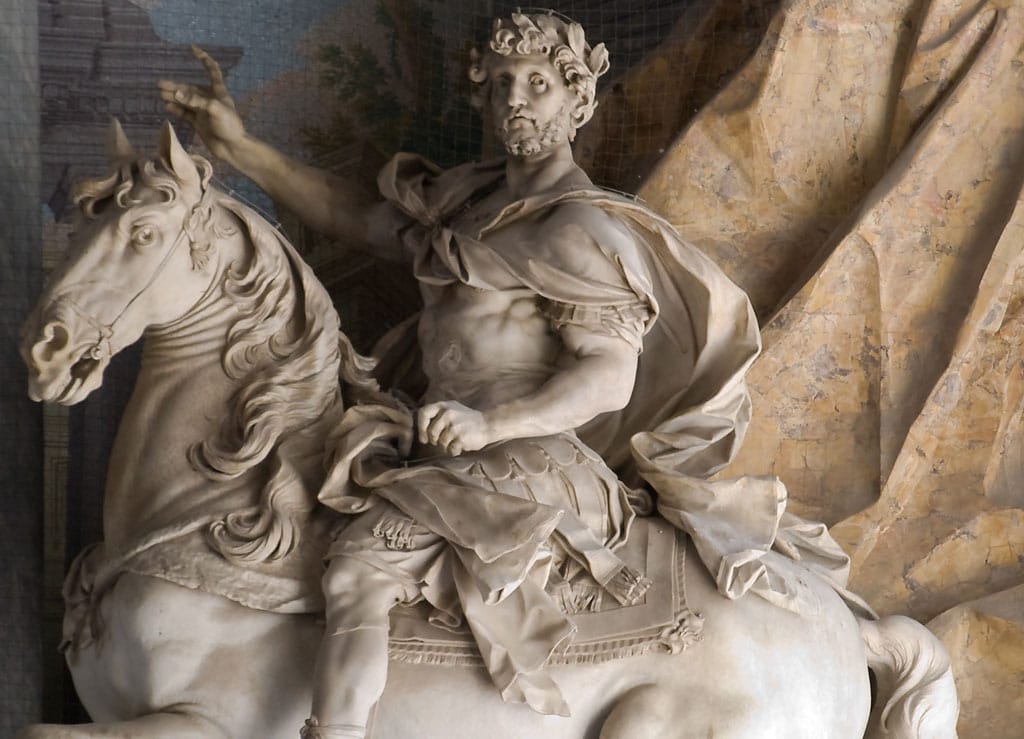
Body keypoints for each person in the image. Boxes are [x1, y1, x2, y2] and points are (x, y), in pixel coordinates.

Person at [160, 12, 764, 739]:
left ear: (578, 101)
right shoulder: (466, 207)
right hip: (439, 445)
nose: (515, 99)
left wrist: (490, 423)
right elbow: (363, 220)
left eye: (538, 84)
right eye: (502, 82)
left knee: (356, 573)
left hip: (529, 456)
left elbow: (609, 377)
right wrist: (240, 148)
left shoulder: (580, 232)